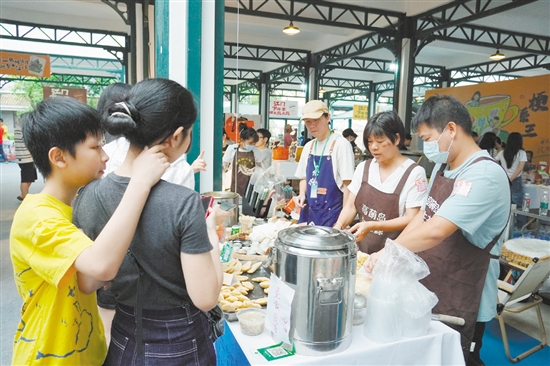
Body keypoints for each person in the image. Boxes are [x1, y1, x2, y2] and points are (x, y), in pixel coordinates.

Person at [73, 78, 223, 365]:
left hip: (124, 335)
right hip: (181, 341)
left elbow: (89, 280)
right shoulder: (183, 202)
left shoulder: (89, 195)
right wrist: (211, 235)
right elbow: (205, 297)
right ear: (176, 136)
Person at [9, 96, 168, 365]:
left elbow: (88, 281)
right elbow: (102, 266)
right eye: (95, 147)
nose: (105, 156)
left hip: (86, 353)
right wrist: (140, 182)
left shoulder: (72, 209)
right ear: (59, 157)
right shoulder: (37, 219)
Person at [367, 95, 510, 366]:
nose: (427, 146)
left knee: (459, 358)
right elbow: (424, 215)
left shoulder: (484, 176)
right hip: (434, 283)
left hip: (465, 288)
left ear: (452, 130)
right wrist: (393, 251)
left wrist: (389, 253)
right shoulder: (444, 167)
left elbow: (436, 230)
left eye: (429, 138)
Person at [334, 111, 428, 254]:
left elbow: (411, 218)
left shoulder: (414, 173)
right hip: (362, 251)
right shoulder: (364, 167)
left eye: (379, 141)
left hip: (395, 254)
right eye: (370, 142)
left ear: (396, 139)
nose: (373, 147)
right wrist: (338, 227)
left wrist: (372, 225)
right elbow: (350, 206)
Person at [294, 100, 355, 226]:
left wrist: (342, 223)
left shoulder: (341, 144)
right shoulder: (309, 146)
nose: (311, 125)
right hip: (310, 212)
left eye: (315, 120)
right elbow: (303, 178)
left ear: (328, 117)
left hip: (332, 215)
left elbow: (348, 185)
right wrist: (301, 194)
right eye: (307, 121)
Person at [223, 126, 267, 196]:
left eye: (254, 144)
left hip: (251, 187)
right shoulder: (232, 149)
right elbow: (224, 166)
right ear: (242, 140)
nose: (252, 145)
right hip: (234, 187)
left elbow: (260, 169)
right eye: (250, 143)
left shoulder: (256, 151)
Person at [496, 132, 527, 223]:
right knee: (518, 204)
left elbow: (493, 162)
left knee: (504, 203)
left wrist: (502, 173)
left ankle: (505, 223)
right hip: (515, 180)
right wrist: (512, 179)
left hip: (504, 179)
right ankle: (519, 225)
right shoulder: (521, 153)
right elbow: (520, 169)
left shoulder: (502, 152)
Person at [13, 117, 38, 201]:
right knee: (26, 178)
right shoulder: (22, 130)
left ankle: (23, 194)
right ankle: (24, 195)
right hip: (26, 158)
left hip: (24, 158)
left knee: (29, 177)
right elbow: (30, 141)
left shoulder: (18, 129)